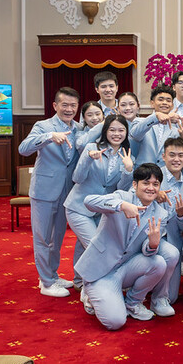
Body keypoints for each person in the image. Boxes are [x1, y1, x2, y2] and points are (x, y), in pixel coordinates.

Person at [76, 163, 169, 330]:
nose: (151, 188)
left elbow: (147, 251)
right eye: (146, 183)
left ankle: (132, 303)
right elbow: (89, 201)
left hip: (125, 268)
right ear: (135, 184)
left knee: (159, 262)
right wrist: (121, 206)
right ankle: (91, 292)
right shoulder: (122, 197)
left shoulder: (161, 214)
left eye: (155, 184)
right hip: (100, 271)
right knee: (115, 322)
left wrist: (153, 244)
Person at [18, 87, 81, 297]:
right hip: (44, 191)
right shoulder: (43, 126)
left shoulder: (79, 128)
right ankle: (45, 282)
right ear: (55, 106)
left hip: (67, 191)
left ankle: (52, 275)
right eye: (65, 105)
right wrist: (49, 137)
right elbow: (23, 149)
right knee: (43, 238)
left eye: (73, 105)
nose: (69, 109)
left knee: (58, 237)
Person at [64, 115, 134, 291]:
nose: (116, 134)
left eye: (121, 130)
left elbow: (121, 190)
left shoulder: (127, 155)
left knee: (84, 245)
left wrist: (128, 170)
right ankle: (95, 287)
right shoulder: (91, 147)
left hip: (101, 210)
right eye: (112, 130)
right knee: (95, 246)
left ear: (126, 132)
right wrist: (88, 159)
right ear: (105, 131)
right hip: (78, 207)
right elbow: (77, 178)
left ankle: (79, 281)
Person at [157, 137, 183, 304]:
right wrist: (152, 196)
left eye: (180, 155)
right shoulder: (152, 178)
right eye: (172, 155)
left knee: (171, 297)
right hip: (148, 238)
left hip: (173, 242)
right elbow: (132, 199)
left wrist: (181, 215)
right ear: (163, 156)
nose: (176, 159)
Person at [130, 86, 183, 168]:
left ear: (172, 105)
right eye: (161, 99)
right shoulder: (140, 122)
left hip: (164, 172)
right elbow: (135, 134)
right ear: (152, 103)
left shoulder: (175, 129)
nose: (165, 102)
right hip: (143, 171)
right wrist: (155, 117)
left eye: (168, 100)